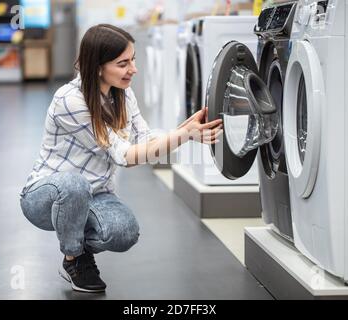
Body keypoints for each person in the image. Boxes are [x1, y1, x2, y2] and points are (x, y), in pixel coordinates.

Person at [19, 24, 223, 293]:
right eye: (123, 63)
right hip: (46, 196)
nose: (133, 69)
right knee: (74, 185)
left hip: (96, 194)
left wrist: (184, 131)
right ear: (98, 66)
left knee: (125, 232)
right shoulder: (69, 100)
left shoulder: (124, 95)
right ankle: (74, 259)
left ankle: (76, 242)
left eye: (133, 60)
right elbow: (125, 156)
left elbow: (145, 142)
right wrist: (182, 136)